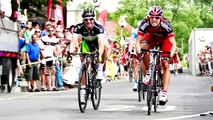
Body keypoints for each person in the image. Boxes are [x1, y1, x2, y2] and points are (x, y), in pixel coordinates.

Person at [136, 6, 177, 105]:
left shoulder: (165, 24)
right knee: (144, 48)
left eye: (157, 17)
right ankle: (149, 72)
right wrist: (138, 51)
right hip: (152, 37)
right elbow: (138, 41)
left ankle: (164, 94)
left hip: (164, 40)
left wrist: (170, 54)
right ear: (149, 17)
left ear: (160, 18)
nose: (154, 19)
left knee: (165, 63)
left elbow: (174, 43)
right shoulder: (144, 23)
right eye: (152, 17)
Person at [70, 8, 107, 103]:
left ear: (94, 19)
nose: (88, 21)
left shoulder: (99, 27)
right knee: (85, 63)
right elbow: (73, 41)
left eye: (91, 19)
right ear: (83, 20)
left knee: (105, 48)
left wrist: (99, 55)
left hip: (96, 43)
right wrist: (71, 52)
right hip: (86, 43)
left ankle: (99, 69)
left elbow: (101, 44)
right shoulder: (78, 27)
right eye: (86, 19)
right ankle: (83, 90)